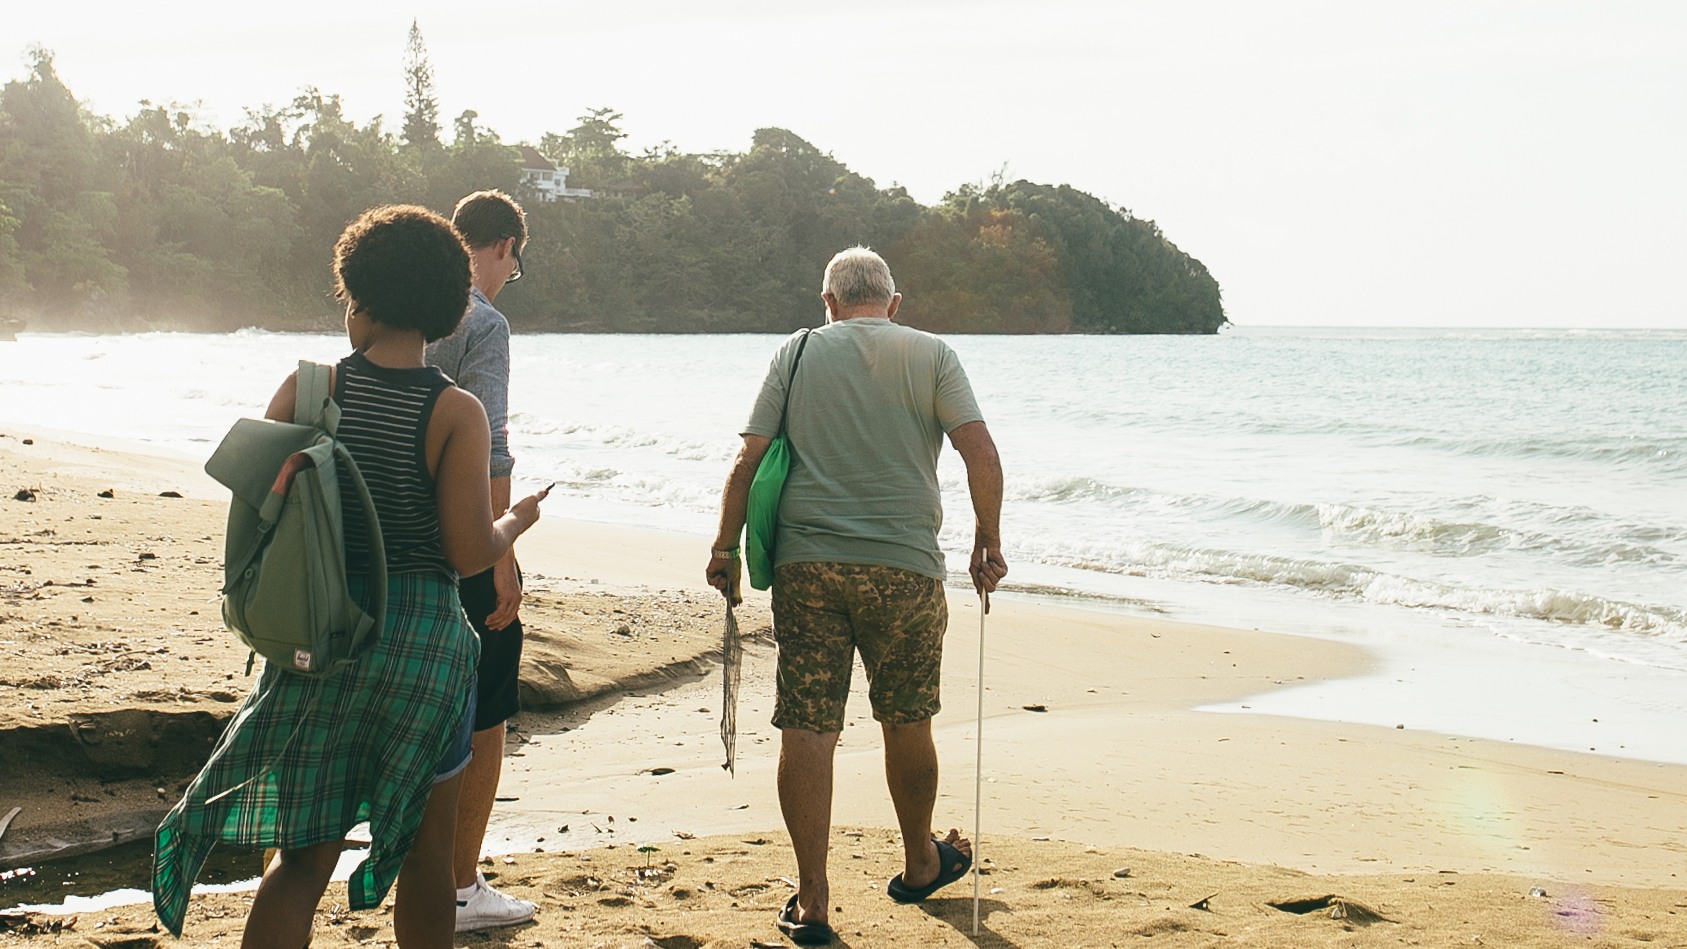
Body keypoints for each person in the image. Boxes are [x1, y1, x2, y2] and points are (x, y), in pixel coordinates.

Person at [153, 205, 545, 949]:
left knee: (304, 857)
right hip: (424, 652)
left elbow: (258, 516)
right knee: (429, 853)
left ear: (357, 295)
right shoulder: (453, 411)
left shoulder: (306, 390)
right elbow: (467, 552)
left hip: (322, 639)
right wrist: (515, 522)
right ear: (446, 307)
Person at [706, 246, 1008, 946]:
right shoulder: (932, 353)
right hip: (904, 568)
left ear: (828, 301)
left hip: (809, 567)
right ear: (893, 304)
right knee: (907, 718)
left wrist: (723, 546)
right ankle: (919, 859)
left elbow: (749, 456)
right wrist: (986, 541)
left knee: (809, 724)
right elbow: (980, 452)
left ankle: (812, 899)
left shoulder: (799, 351)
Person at [423, 189, 537, 931]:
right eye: (514, 264)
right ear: (500, 246)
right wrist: (504, 548)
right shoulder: (482, 320)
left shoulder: (400, 309)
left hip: (396, 536)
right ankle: (460, 885)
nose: (507, 276)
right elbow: (490, 440)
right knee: (486, 705)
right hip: (464, 536)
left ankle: (420, 869)